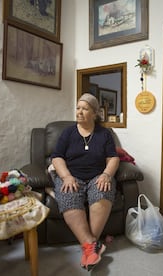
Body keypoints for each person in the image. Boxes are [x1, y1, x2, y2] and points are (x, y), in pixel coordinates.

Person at [50, 93, 120, 271]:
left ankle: (89, 249)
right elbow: (56, 157)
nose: (79, 112)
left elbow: (113, 158)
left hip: (97, 175)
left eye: (85, 109)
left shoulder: (104, 134)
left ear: (95, 113)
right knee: (68, 194)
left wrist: (105, 175)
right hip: (72, 176)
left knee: (102, 190)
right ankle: (92, 246)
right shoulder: (68, 133)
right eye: (78, 108)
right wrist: (66, 176)